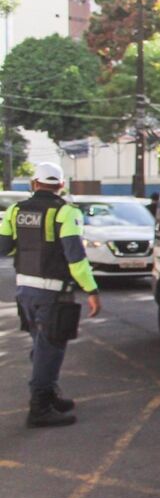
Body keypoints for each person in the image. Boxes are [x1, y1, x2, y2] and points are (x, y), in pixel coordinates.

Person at [0, 163, 102, 428]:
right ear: (61, 186)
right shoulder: (66, 213)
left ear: (33, 184)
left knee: (41, 345)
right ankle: (40, 408)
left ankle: (49, 394)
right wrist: (91, 289)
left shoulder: (15, 210)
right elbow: (75, 257)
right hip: (52, 293)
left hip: (24, 291)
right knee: (51, 349)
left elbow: (3, 247)